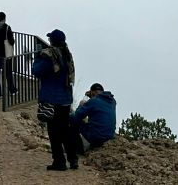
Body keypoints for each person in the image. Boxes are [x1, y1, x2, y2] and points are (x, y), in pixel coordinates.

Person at [31, 29, 77, 171]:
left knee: (54, 132)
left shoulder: (49, 56)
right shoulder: (67, 55)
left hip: (51, 99)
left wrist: (37, 57)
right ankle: (73, 160)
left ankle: (59, 162)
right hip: (65, 99)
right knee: (65, 130)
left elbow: (36, 71)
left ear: (52, 41)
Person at [72, 83, 117, 152]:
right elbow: (99, 108)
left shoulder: (93, 101)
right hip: (109, 137)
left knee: (72, 118)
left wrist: (81, 105)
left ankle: (78, 149)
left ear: (93, 92)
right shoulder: (112, 102)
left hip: (96, 137)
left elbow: (77, 116)